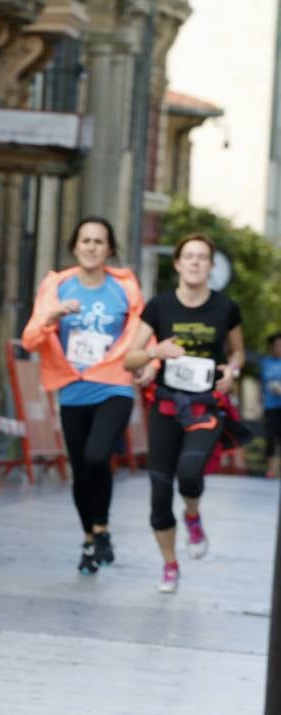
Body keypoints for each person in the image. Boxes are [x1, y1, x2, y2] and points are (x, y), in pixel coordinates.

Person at [21, 217, 146, 574]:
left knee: (96, 456)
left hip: (114, 384)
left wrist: (148, 362)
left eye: (99, 241)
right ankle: (91, 539)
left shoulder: (125, 289)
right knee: (80, 470)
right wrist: (53, 315)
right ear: (75, 247)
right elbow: (30, 339)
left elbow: (142, 332)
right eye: (86, 240)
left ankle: (102, 528)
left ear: (110, 249)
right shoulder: (57, 287)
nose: (91, 246)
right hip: (73, 389)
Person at [124, 233, 245, 593]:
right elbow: (130, 357)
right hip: (166, 406)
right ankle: (170, 565)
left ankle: (193, 516)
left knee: (189, 473)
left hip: (206, 406)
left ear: (211, 266)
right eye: (188, 257)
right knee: (160, 493)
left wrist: (232, 371)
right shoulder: (159, 307)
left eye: (202, 257)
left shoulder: (226, 308)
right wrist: (155, 352)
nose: (194, 263)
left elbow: (237, 352)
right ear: (177, 264)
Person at [263, 332, 281, 479]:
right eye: (277, 345)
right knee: (270, 438)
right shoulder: (266, 363)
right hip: (270, 407)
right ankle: (270, 470)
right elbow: (264, 384)